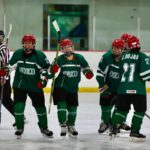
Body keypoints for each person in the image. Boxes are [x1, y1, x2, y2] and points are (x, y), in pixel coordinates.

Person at [0, 34, 53, 138]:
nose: (27, 45)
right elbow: (10, 66)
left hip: (35, 86)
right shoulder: (18, 53)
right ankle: (20, 127)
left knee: (40, 108)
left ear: (33, 45)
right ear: (23, 44)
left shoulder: (40, 55)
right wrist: (5, 70)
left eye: (30, 43)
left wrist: (44, 79)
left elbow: (47, 70)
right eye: (25, 43)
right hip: (20, 85)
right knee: (18, 107)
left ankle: (44, 127)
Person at [110, 36, 150, 142]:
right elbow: (145, 75)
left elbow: (119, 73)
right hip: (138, 90)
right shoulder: (142, 56)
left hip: (123, 89)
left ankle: (114, 129)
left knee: (121, 110)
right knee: (140, 111)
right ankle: (134, 132)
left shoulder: (123, 56)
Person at [51, 38, 93, 136]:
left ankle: (71, 125)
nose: (67, 49)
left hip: (73, 88)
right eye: (65, 48)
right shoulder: (59, 59)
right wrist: (53, 69)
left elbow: (86, 67)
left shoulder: (79, 58)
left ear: (72, 47)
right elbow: (50, 73)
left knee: (73, 109)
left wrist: (88, 73)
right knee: (62, 106)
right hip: (60, 87)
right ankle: (63, 125)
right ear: (62, 49)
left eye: (69, 47)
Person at [96, 39, 131, 133]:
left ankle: (118, 123)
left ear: (123, 49)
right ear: (112, 48)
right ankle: (106, 122)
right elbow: (100, 73)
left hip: (121, 88)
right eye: (115, 48)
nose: (117, 50)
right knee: (105, 107)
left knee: (122, 107)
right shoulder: (106, 57)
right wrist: (102, 86)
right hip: (107, 86)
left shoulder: (127, 59)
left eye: (119, 48)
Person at [0, 30, 15, 124]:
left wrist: (3, 76)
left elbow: (5, 64)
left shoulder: (3, 48)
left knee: (6, 99)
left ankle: (19, 117)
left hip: (3, 76)